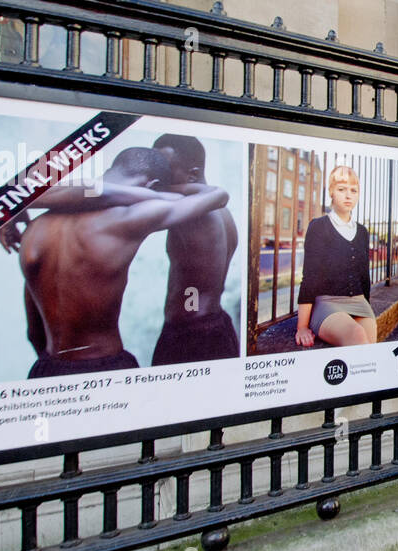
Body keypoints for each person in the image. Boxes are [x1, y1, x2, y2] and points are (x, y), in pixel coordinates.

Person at [20, 147, 229, 377]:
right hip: (105, 367)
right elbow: (217, 196)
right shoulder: (128, 220)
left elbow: (33, 332)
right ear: (151, 185)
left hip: (47, 368)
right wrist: (151, 194)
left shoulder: (34, 228)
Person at [149, 135, 241, 364]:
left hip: (190, 336)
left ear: (192, 174)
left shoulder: (194, 212)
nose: (155, 179)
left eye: (164, 171)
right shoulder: (223, 212)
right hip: (215, 326)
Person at [295, 166, 377, 347]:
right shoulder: (318, 227)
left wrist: (367, 305)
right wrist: (302, 326)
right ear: (331, 192)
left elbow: (364, 276)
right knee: (356, 336)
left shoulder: (362, 232)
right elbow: (310, 276)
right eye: (341, 189)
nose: (348, 195)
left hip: (358, 302)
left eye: (353, 190)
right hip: (328, 303)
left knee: (371, 349)